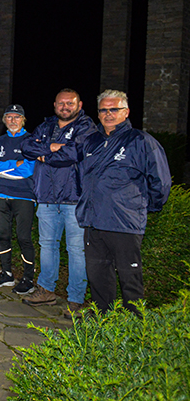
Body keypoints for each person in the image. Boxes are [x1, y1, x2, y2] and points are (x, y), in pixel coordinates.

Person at [77, 90, 171, 314]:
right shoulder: (90, 142)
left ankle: (134, 322)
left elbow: (160, 181)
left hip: (124, 223)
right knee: (98, 275)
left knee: (130, 277)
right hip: (94, 222)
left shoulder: (141, 141)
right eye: (103, 110)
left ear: (126, 112)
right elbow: (82, 177)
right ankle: (103, 318)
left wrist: (143, 207)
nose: (108, 114)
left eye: (114, 109)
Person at [20, 89, 95, 314]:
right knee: (47, 246)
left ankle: (76, 299)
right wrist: (52, 147)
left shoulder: (87, 127)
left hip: (74, 199)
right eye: (61, 103)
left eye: (70, 103)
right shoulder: (46, 126)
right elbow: (26, 146)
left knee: (76, 251)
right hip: (46, 197)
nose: (65, 107)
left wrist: (44, 153)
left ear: (79, 105)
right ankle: (46, 290)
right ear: (54, 105)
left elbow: (74, 154)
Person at [0, 105, 36, 293]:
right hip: (2, 194)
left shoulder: (31, 140)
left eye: (17, 117)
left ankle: (28, 279)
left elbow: (28, 169)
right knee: (2, 235)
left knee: (24, 238)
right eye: (9, 117)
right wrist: (15, 164)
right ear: (4, 120)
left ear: (23, 120)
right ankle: (6, 274)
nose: (13, 120)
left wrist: (3, 167)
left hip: (24, 195)